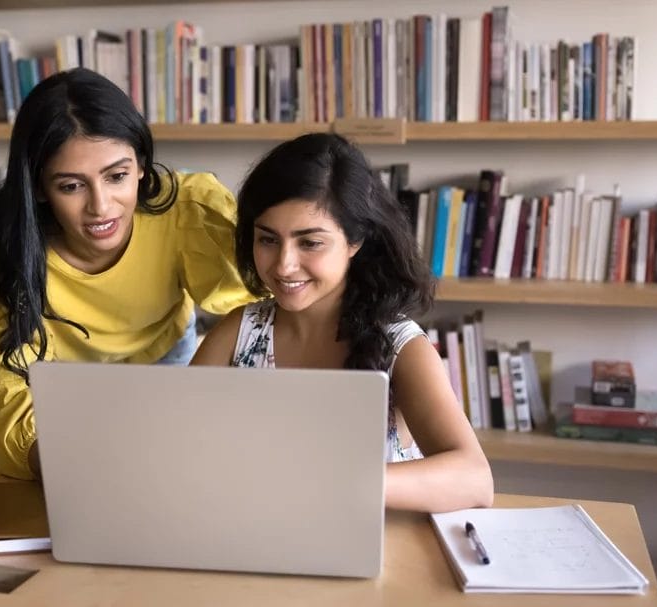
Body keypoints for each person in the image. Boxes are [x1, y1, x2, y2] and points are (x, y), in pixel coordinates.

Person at [0, 68, 256, 480]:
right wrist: (63, 464)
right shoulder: (2, 261)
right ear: (39, 187)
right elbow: (6, 395)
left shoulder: (189, 210)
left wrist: (201, 397)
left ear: (142, 166)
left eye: (117, 176)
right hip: (62, 385)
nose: (101, 207)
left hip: (164, 356)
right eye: (72, 186)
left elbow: (261, 308)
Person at [192, 133, 494, 512]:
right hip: (255, 533)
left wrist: (332, 481)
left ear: (356, 241)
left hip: (371, 552)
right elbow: (180, 446)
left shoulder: (400, 347)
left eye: (310, 243)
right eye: (268, 240)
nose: (284, 265)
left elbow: (475, 480)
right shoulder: (239, 331)